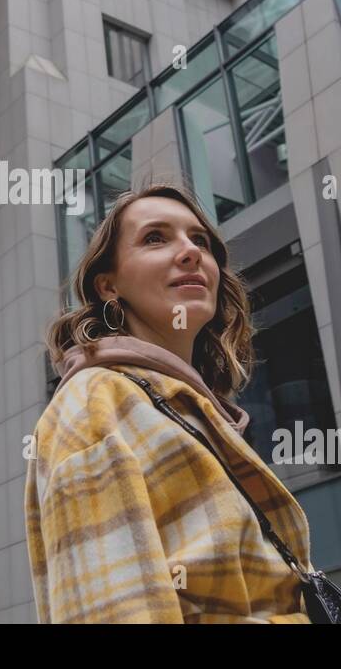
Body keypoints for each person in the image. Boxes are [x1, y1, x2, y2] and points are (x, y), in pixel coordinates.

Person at [25, 182, 313, 623]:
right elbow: (112, 612)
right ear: (108, 286)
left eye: (198, 240)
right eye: (155, 238)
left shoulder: (186, 410)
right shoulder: (95, 402)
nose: (190, 252)